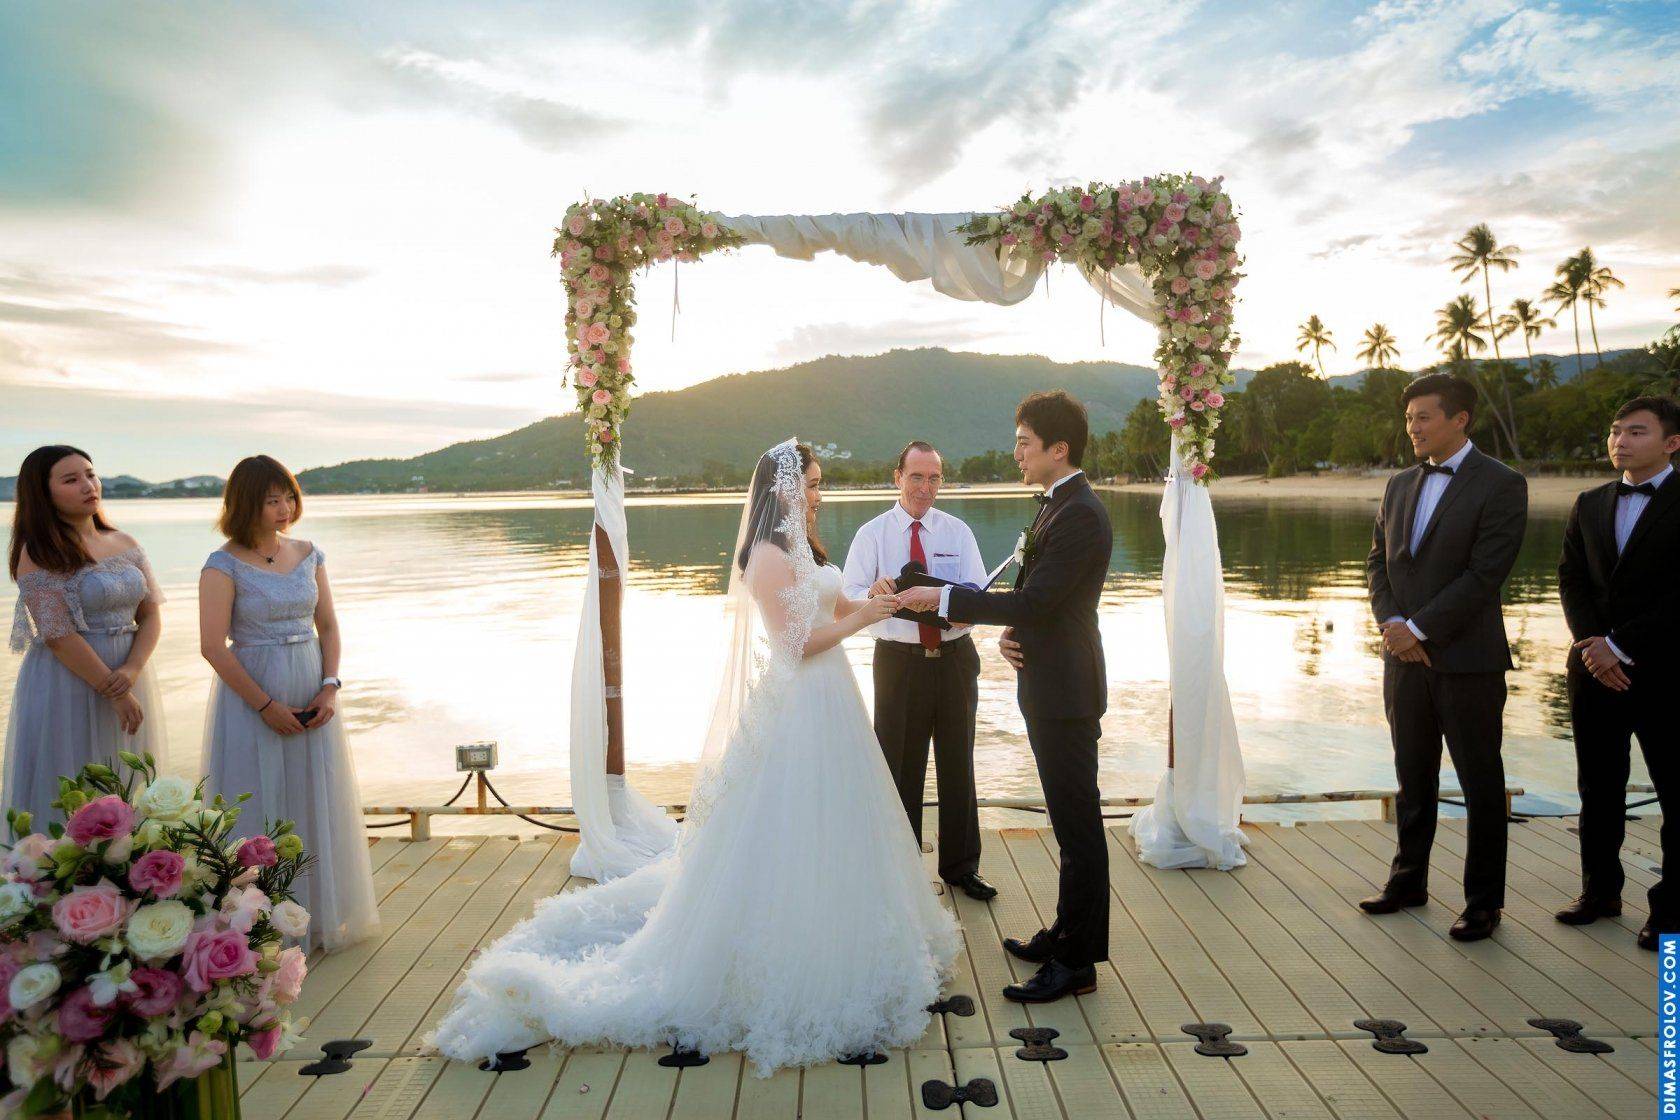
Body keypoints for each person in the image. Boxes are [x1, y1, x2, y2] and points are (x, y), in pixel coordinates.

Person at [431, 440, 961, 1075]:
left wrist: (870, 600)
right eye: (812, 484)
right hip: (800, 707)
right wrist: (862, 618)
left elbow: (833, 605)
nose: (819, 495)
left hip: (833, 701)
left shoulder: (806, 547)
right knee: (792, 824)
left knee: (840, 822)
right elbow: (795, 645)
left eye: (819, 484)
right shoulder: (766, 556)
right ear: (783, 489)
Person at [897, 391, 1113, 1004]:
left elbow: (1037, 600)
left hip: (1067, 690)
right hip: (1049, 681)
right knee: (1067, 821)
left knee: (1078, 826)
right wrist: (1015, 630)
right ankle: (1066, 933)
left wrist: (941, 598)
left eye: (1024, 443)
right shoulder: (1057, 507)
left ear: (1057, 449)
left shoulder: (1079, 514)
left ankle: (1077, 962)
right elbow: (1042, 601)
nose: (1016, 453)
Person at [1362, 373, 1527, 942]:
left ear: (1460, 419)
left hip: (1468, 659)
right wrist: (1393, 625)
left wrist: (1420, 629)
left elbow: (1485, 574)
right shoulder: (1398, 483)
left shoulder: (1502, 483)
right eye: (1409, 418)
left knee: (1481, 782)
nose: (1413, 427)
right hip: (1402, 659)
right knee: (1412, 776)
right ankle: (1408, 881)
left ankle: (1483, 903)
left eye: (1424, 417)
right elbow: (1378, 562)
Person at [199, 455, 378, 952]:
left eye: (289, 498)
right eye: (271, 500)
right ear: (244, 504)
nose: (284, 509)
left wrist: (330, 685)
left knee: (314, 791)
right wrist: (264, 705)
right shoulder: (221, 564)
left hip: (310, 681)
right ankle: (254, 926)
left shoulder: (309, 553)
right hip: (252, 690)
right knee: (256, 792)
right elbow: (213, 646)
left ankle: (317, 913)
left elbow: (329, 625)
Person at [842, 440, 994, 901]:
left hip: (955, 660)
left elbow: (979, 592)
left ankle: (961, 867)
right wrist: (872, 593)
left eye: (934, 478)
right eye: (916, 477)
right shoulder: (872, 534)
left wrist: (965, 610)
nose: (925, 488)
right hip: (898, 663)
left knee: (958, 763)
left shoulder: (957, 531)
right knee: (899, 766)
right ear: (898, 478)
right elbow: (845, 598)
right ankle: (901, 868)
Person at [1556, 395, 1680, 950]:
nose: (1620, 441)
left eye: (1635, 431)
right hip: (1593, 670)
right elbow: (1571, 579)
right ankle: (1599, 892)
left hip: (1667, 671)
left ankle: (1670, 911)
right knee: (1598, 787)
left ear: (1672, 443)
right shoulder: (1589, 502)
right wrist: (1593, 646)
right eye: (1615, 431)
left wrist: (1621, 644)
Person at [5, 445, 166, 828]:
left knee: (130, 777)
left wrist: (131, 670)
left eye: (91, 474)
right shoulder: (39, 552)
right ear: (43, 493)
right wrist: (114, 690)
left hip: (129, 671)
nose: (88, 485)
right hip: (70, 681)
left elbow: (151, 613)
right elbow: (58, 636)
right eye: (71, 479)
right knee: (76, 780)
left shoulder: (125, 542)